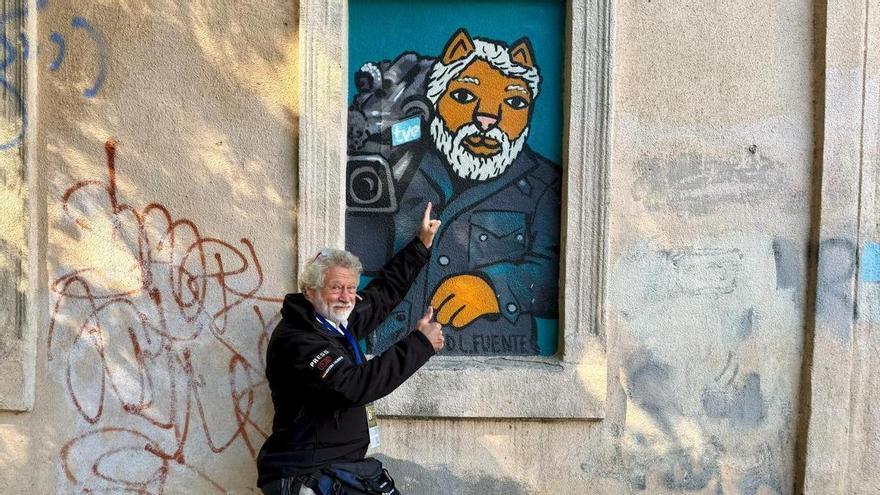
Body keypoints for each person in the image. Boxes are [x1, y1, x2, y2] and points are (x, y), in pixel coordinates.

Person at [257, 203, 444, 494]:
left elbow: (383, 294)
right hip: (306, 473)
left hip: (338, 466)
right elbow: (352, 385)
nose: (346, 297)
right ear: (310, 291)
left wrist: (421, 245)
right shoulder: (299, 340)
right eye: (336, 287)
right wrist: (419, 344)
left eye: (351, 287)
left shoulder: (334, 323)